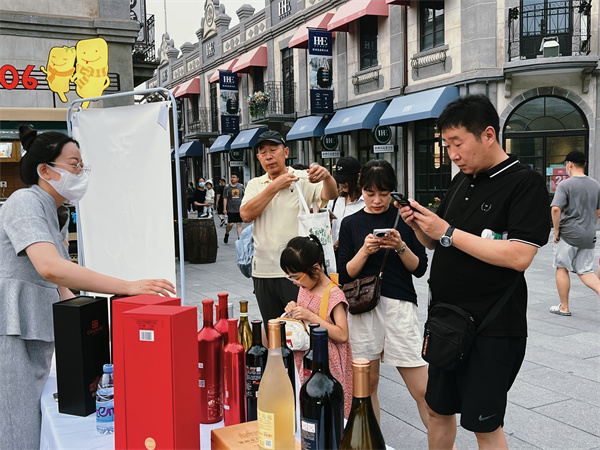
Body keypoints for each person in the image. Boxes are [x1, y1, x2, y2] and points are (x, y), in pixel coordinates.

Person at [0, 125, 176, 450]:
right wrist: (126, 285)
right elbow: (52, 268)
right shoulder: (24, 201)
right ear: (45, 170)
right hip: (11, 331)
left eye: (82, 164)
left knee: (31, 423)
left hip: (33, 333)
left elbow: (64, 289)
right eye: (74, 164)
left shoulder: (56, 211)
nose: (81, 172)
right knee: (16, 430)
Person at [399, 94, 549, 450]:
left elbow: (519, 256)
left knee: (484, 424)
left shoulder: (524, 183)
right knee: (437, 410)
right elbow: (438, 244)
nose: (452, 153)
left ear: (488, 135)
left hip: (493, 328)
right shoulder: (461, 181)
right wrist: (421, 227)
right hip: (447, 321)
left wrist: (446, 231)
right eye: (446, 144)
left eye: (457, 143)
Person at [337, 159, 429, 427]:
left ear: (393, 191)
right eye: (370, 193)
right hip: (362, 310)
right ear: (360, 189)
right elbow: (345, 274)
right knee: (368, 387)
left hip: (399, 308)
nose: (377, 200)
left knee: (423, 391)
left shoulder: (405, 218)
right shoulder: (351, 223)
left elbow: (420, 269)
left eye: (384, 194)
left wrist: (400, 246)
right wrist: (365, 251)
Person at [240, 130, 338, 324]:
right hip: (263, 270)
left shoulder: (301, 178)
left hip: (298, 271)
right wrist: (275, 186)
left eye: (273, 150)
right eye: (263, 152)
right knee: (273, 330)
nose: (269, 156)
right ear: (258, 157)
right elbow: (246, 214)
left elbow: (331, 193)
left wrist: (326, 176)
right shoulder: (256, 184)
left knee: (301, 331)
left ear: (285, 152)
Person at [282, 234, 353, 418]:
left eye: (297, 277)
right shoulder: (305, 287)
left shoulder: (334, 294)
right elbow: (303, 317)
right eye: (291, 278)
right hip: (306, 355)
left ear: (315, 268)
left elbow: (343, 334)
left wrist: (310, 316)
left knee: (328, 408)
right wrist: (294, 309)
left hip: (328, 362)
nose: (296, 282)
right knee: (307, 405)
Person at [549, 150, 600, 316]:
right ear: (584, 164)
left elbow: (556, 208)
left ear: (569, 164)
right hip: (588, 235)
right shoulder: (595, 184)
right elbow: (598, 211)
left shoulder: (565, 184)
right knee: (586, 271)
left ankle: (564, 307)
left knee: (561, 266)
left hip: (569, 234)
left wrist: (556, 230)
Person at [328, 156, 364, 261]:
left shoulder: (364, 202)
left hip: (356, 255)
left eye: (347, 180)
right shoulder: (334, 200)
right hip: (335, 255)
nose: (343, 184)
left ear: (358, 177)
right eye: (340, 180)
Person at [223, 173, 245, 244]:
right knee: (231, 224)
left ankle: (240, 239)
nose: (232, 178)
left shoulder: (241, 186)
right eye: (231, 177)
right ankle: (227, 233)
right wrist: (224, 208)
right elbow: (225, 198)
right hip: (230, 208)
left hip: (239, 208)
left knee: (239, 224)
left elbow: (244, 197)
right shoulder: (227, 187)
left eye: (234, 177)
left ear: (237, 179)